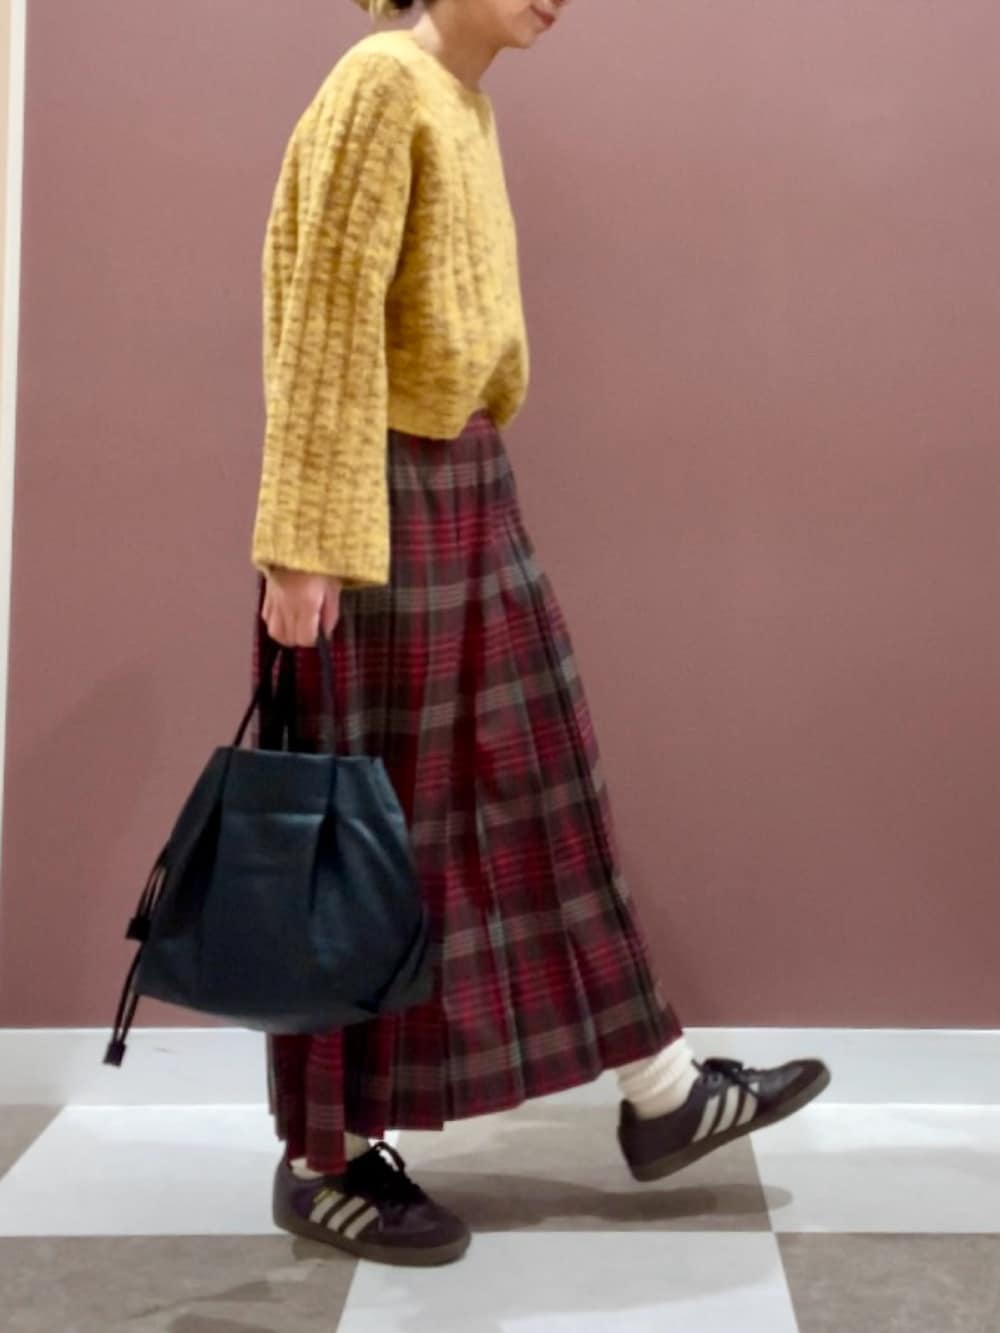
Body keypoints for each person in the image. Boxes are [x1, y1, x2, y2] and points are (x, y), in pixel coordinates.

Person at [251, 0, 830, 1269]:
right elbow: (321, 319)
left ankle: (660, 1087)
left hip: (463, 478)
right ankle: (322, 1160)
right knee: (363, 836)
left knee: (539, 784)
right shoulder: (379, 82)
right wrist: (302, 543)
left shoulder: (461, 99)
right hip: (376, 498)